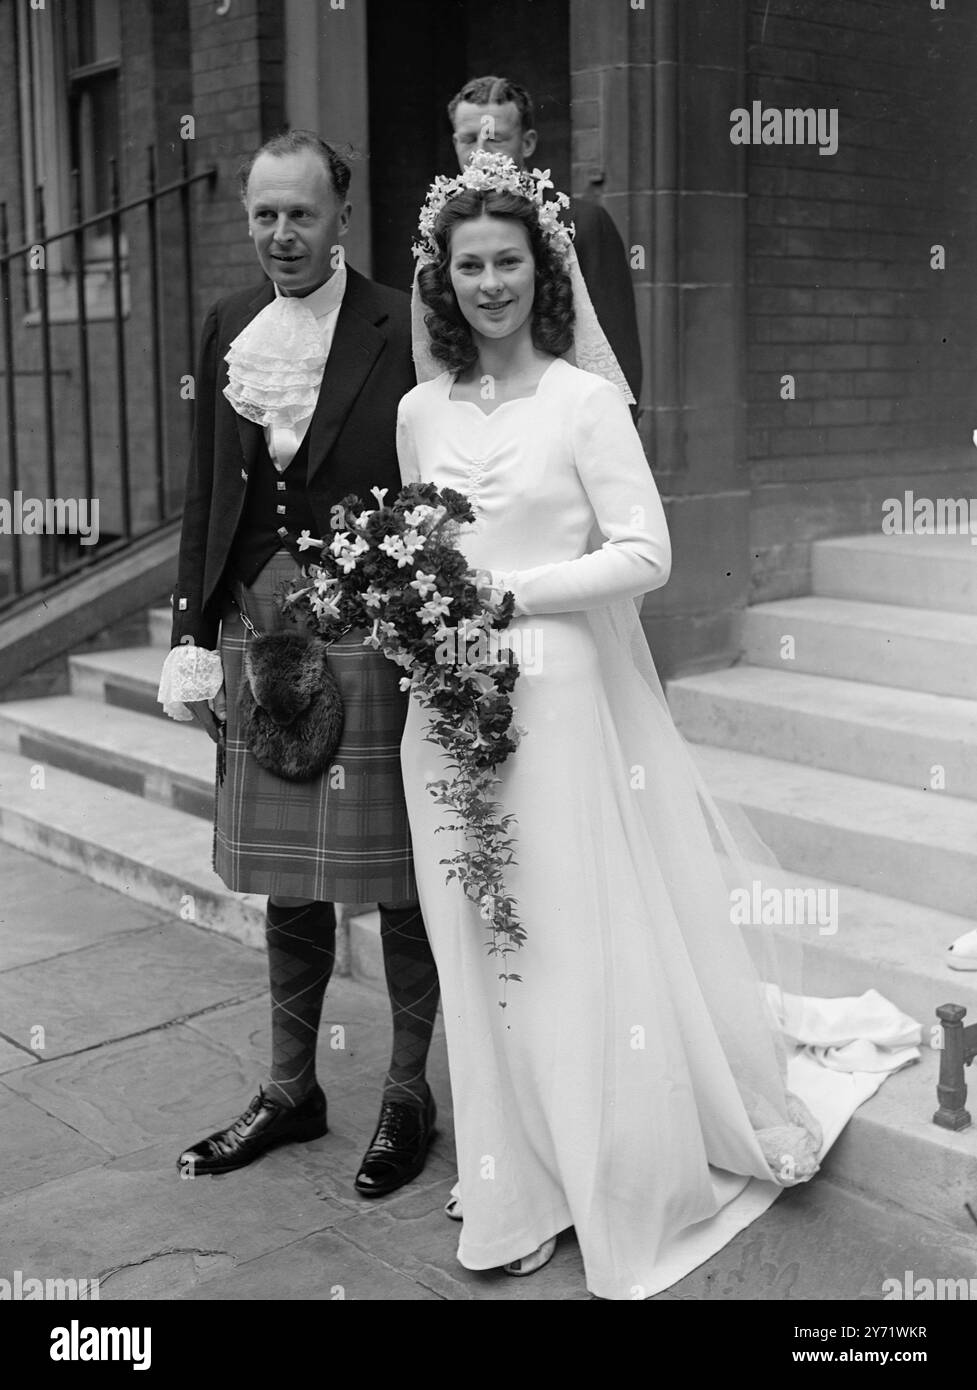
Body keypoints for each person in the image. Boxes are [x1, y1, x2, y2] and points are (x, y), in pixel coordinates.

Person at [394, 153, 879, 1298]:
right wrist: (414, 615)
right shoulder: (418, 414)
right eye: (467, 265)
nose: (488, 283)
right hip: (442, 709)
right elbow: (420, 551)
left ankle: (606, 1170)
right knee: (472, 939)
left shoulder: (583, 401)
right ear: (441, 279)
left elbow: (645, 554)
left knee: (560, 934)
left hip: (550, 696)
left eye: (507, 260)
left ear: (543, 269)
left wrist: (509, 598)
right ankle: (515, 1181)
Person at [157, 131, 440, 1197]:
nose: (282, 234)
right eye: (264, 214)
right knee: (287, 884)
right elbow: (206, 492)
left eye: (301, 214)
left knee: (401, 883)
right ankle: (291, 1089)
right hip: (255, 634)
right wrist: (190, 636)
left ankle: (405, 1093)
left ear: (340, 218)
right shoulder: (226, 322)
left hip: (371, 639)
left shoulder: (399, 321)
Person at [448, 74, 642, 407]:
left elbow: (614, 346)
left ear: (527, 143)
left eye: (495, 139)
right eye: (469, 139)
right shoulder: (442, 227)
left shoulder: (583, 223)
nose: (480, 152)